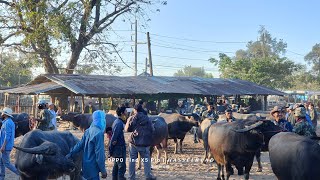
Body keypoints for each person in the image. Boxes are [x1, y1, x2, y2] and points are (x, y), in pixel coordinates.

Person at [66, 110, 107, 180]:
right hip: (93, 168)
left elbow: (79, 145)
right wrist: (103, 170)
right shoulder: (99, 133)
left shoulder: (88, 130)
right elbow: (99, 155)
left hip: (85, 166)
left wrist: (70, 154)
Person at [125, 104, 156, 180]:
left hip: (134, 143)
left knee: (132, 160)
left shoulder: (133, 117)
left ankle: (131, 177)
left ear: (135, 110)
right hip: (145, 143)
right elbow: (153, 129)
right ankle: (148, 176)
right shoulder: (147, 118)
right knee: (146, 160)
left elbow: (127, 129)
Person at [0, 107, 20, 179]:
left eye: (2, 113)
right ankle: (1, 177)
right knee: (1, 163)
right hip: (6, 145)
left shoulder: (7, 123)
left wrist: (3, 146)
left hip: (5, 146)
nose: (1, 114)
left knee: (7, 163)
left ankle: (20, 174)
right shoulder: (7, 121)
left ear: (5, 114)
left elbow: (7, 136)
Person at [109, 106, 127, 180]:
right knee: (121, 167)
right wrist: (111, 149)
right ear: (122, 113)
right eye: (125, 111)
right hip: (119, 148)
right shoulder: (119, 123)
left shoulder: (117, 121)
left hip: (118, 148)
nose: (127, 113)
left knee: (116, 166)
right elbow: (114, 137)